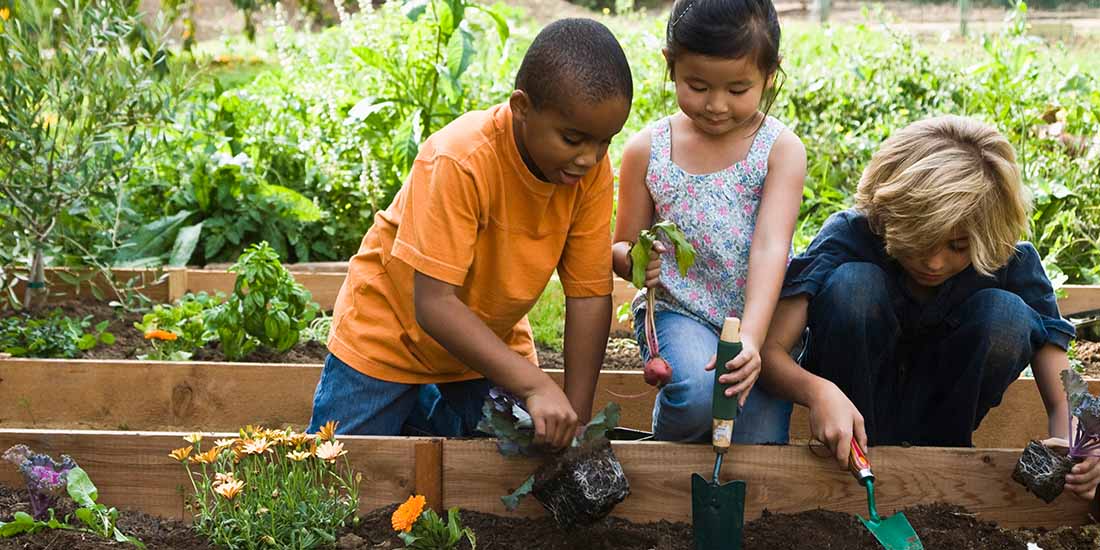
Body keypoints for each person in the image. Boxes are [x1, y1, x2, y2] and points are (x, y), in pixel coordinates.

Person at [308, 18, 634, 449]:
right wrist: (536, 386)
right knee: (338, 469)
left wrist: (574, 422)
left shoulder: (586, 172)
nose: (590, 158)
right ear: (521, 107)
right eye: (573, 139)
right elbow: (434, 305)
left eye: (605, 142)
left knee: (524, 450)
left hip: (486, 343)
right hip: (391, 334)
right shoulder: (461, 160)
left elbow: (590, 295)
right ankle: (416, 402)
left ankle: (424, 410)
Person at [760, 115, 1100, 500]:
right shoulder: (851, 236)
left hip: (946, 420)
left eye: (957, 247)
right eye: (921, 242)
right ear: (888, 216)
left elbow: (1064, 392)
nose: (935, 263)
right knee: (854, 286)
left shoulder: (1008, 261)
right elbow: (770, 355)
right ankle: (863, 460)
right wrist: (817, 392)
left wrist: (1081, 446)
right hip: (852, 426)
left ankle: (943, 463)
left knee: (1006, 315)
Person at [611, 0, 806, 443]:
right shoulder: (648, 150)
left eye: (738, 90)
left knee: (756, 445)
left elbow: (770, 246)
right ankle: (662, 470)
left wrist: (752, 340)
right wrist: (636, 260)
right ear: (671, 65)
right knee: (698, 396)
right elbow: (620, 247)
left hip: (759, 320)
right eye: (697, 85)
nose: (717, 105)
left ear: (769, 75)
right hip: (681, 312)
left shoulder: (779, 150)